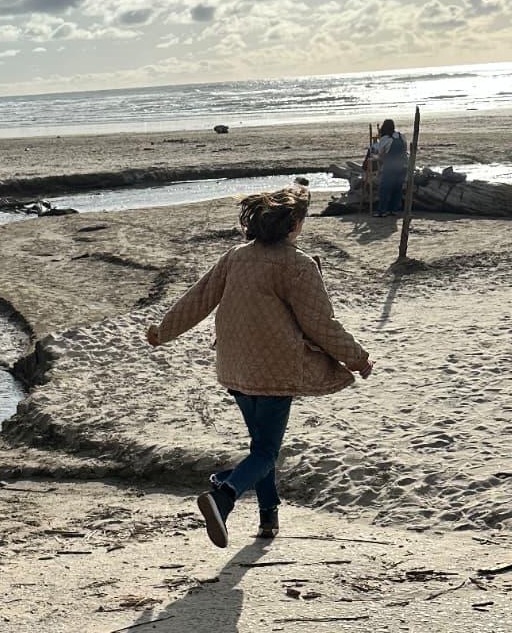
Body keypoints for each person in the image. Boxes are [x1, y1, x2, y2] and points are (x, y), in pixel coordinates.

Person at [146, 186, 373, 547]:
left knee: (260, 447)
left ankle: (269, 518)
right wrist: (357, 358)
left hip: (235, 366)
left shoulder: (236, 256)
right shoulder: (298, 264)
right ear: (294, 224)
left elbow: (198, 299)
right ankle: (224, 494)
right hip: (274, 372)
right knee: (266, 453)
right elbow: (320, 324)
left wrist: (163, 331)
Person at [370, 117, 408, 216]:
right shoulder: (401, 136)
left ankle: (382, 211)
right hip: (402, 166)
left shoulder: (385, 139)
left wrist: (374, 156)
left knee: (385, 189)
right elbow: (405, 150)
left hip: (390, 167)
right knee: (397, 189)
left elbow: (381, 155)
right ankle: (394, 209)